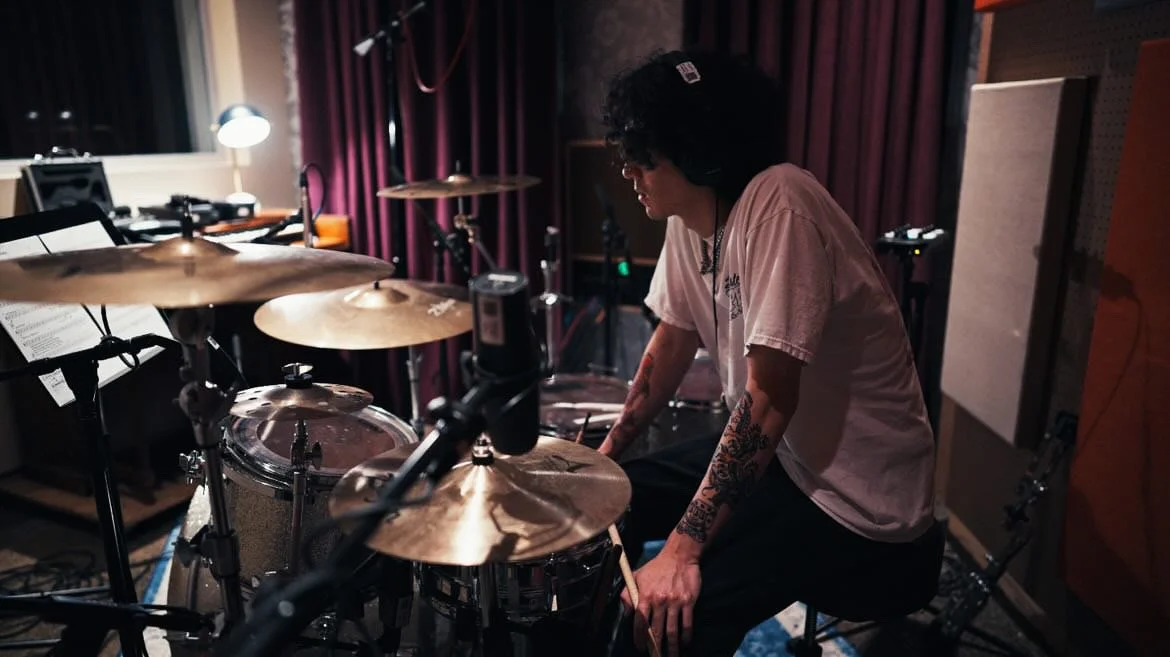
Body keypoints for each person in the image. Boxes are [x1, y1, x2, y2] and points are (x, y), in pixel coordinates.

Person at [597, 49, 943, 656]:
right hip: (790, 456)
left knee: (671, 617)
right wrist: (604, 458)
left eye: (644, 154)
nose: (629, 169)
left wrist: (681, 551)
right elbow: (672, 341)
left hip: (855, 499)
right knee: (617, 497)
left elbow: (769, 399)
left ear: (699, 153)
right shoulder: (688, 220)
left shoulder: (782, 203)